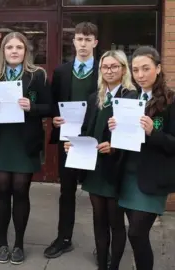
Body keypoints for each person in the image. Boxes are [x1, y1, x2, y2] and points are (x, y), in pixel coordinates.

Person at [0, 32, 51, 264]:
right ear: (3, 51)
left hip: (24, 140)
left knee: (20, 191)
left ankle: (18, 243)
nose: (14, 51)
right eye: (10, 47)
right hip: (1, 140)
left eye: (19, 47)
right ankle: (2, 244)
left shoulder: (37, 76)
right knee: (1, 192)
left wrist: (33, 107)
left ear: (25, 51)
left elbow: (49, 107)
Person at [65, 50, 137, 269]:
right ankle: (102, 262)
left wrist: (115, 147)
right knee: (98, 219)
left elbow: (134, 135)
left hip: (115, 168)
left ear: (123, 69)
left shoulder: (131, 96)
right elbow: (87, 129)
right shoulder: (95, 97)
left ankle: (114, 264)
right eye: (105, 67)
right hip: (93, 167)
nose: (109, 71)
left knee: (116, 221)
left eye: (114, 66)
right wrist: (74, 145)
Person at [108, 46, 175, 270]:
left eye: (146, 69)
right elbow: (123, 141)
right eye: (136, 70)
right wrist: (114, 130)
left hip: (152, 179)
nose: (140, 75)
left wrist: (153, 134)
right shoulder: (130, 98)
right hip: (126, 175)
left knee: (137, 232)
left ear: (158, 68)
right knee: (135, 236)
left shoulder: (171, 102)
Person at [46, 22, 99, 259]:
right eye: (79, 39)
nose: (83, 44)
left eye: (88, 40)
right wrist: (55, 118)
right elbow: (53, 104)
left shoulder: (104, 70)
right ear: (74, 41)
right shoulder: (62, 72)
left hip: (96, 141)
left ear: (95, 42)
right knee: (66, 192)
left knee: (99, 195)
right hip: (68, 139)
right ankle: (63, 238)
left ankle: (104, 244)